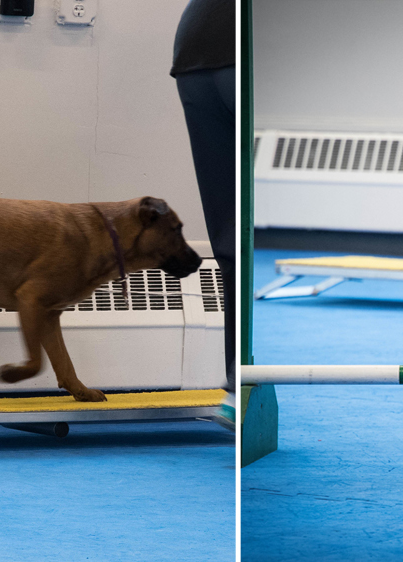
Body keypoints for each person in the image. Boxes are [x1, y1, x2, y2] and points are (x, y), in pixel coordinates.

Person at [171, 0, 234, 391]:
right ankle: (246, 378)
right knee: (244, 235)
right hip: (240, 47)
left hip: (196, 43)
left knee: (230, 241)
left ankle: (237, 379)